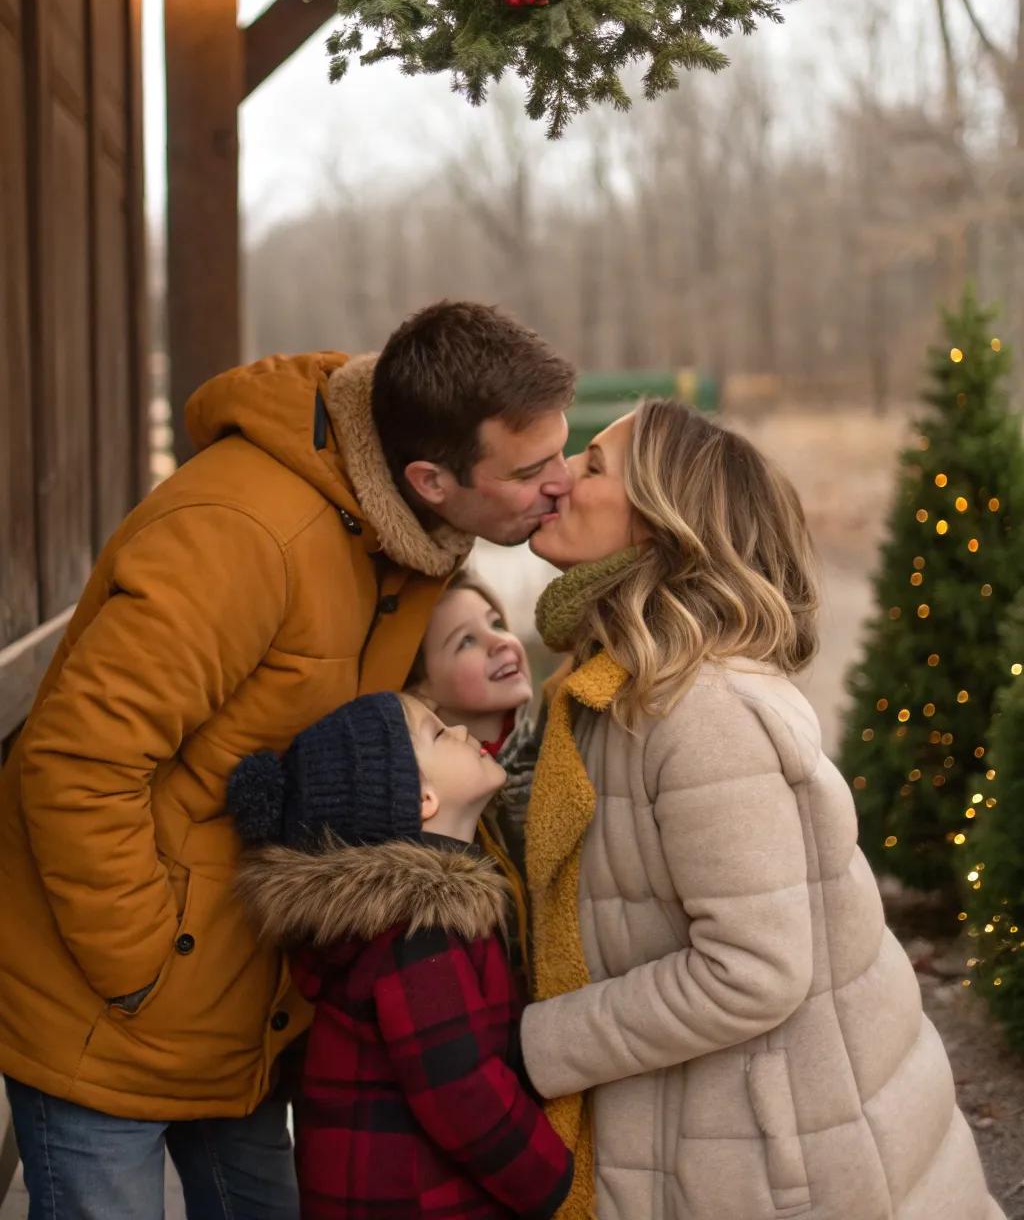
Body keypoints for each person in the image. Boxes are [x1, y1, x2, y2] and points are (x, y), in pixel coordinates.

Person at [0, 300, 574, 1220]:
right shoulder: (240, 535)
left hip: (252, 1000)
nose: (565, 481)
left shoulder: (409, 538)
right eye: (533, 468)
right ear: (430, 477)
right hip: (110, 1008)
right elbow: (76, 760)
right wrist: (148, 965)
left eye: (564, 451)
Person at [520, 399, 1003, 1220]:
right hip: (717, 1134)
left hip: (782, 1168)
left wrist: (539, 1042)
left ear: (660, 524)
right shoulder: (619, 687)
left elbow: (752, 970)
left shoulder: (699, 711)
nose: (561, 481)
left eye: (594, 467)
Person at [226, 690, 573, 1220]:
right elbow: (462, 1092)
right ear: (421, 799)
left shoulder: (406, 923)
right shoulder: (418, 935)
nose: (459, 731)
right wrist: (552, 1178)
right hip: (419, 1201)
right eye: (437, 732)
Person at [409, 569, 539, 868]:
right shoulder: (432, 802)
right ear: (421, 688)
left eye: (496, 623)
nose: (500, 642)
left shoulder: (560, 749)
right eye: (466, 641)